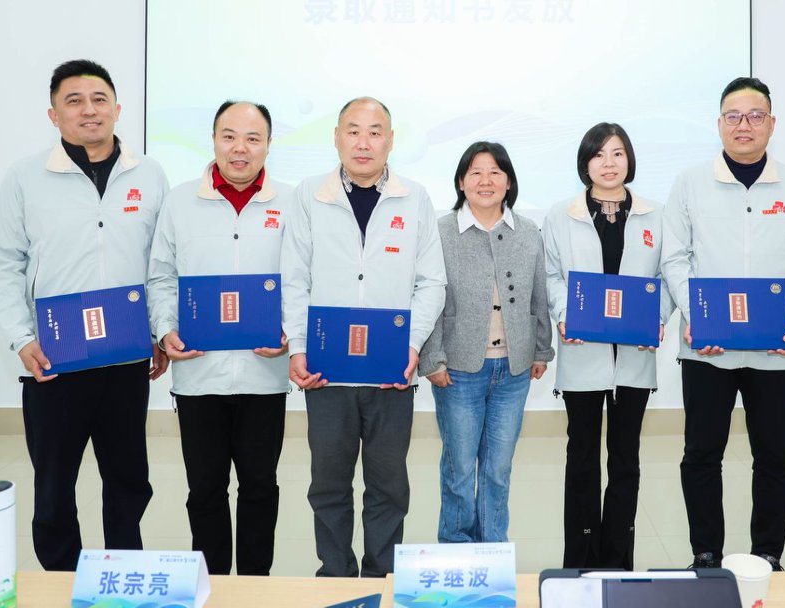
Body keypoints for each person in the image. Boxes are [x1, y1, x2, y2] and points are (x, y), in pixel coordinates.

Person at [0, 59, 168, 571]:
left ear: (117, 109)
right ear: (54, 114)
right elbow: (0, 264)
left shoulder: (148, 175)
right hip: (54, 359)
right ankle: (61, 578)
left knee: (128, 479)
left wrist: (158, 331)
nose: (89, 110)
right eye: (74, 101)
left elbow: (161, 264)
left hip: (126, 358)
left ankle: (123, 572)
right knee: (54, 484)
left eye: (99, 99)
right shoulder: (25, 178)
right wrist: (21, 338)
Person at [661, 76, 785, 572]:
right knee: (701, 454)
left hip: (775, 349)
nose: (744, 125)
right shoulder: (690, 183)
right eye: (733, 116)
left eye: (756, 116)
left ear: (772, 124)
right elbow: (675, 258)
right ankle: (705, 553)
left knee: (775, 456)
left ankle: (768, 554)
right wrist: (697, 315)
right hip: (707, 348)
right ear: (719, 124)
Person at [281, 97, 446, 578]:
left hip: (390, 370)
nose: (363, 142)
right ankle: (335, 576)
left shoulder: (415, 197)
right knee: (328, 484)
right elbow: (294, 278)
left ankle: (382, 575)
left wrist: (411, 346)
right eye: (353, 130)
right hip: (326, 370)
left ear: (390, 141)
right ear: (336, 137)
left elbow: (432, 282)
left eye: (375, 132)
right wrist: (298, 347)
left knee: (388, 485)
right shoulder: (310, 194)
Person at [147, 100, 291, 576]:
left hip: (264, 373)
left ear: (268, 144)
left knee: (260, 487)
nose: (239, 148)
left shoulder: (292, 204)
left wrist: (291, 332)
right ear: (213, 140)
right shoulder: (180, 202)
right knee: (205, 489)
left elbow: (303, 279)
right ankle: (210, 587)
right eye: (229, 136)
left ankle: (254, 586)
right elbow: (161, 276)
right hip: (199, 374)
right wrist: (165, 329)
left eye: (252, 138)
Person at [543, 122, 670, 570]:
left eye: (617, 153)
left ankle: (618, 563)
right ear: (585, 163)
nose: (609, 163)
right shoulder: (561, 215)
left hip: (634, 357)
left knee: (625, 460)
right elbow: (551, 276)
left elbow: (667, 277)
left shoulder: (656, 216)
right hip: (583, 354)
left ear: (629, 159)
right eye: (599, 154)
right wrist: (564, 314)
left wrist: (657, 318)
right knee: (581, 459)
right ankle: (580, 560)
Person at [419, 141, 553, 544]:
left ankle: (493, 549)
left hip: (513, 369)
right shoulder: (440, 232)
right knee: (459, 468)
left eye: (495, 172)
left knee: (498, 468)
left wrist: (541, 349)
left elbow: (539, 294)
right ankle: (457, 547)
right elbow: (428, 297)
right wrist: (432, 358)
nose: (485, 180)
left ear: (509, 182)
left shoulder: (527, 232)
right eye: (475, 172)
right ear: (461, 182)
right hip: (458, 369)